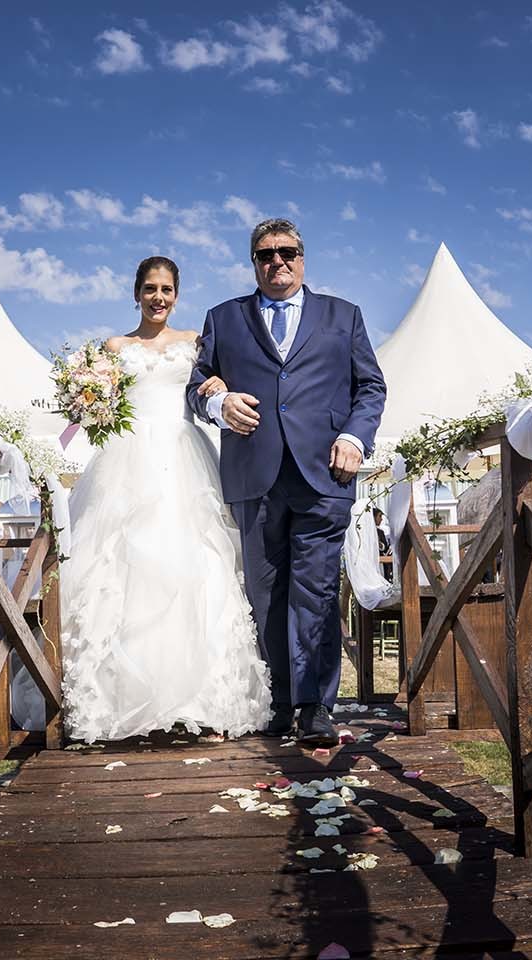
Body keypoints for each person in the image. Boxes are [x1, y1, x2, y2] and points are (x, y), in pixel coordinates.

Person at [187, 218, 386, 746]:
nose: (277, 262)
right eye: (265, 255)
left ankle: (315, 705)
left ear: (304, 256)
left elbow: (371, 388)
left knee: (317, 591)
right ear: (253, 262)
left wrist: (355, 438)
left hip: (326, 472)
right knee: (265, 593)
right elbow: (195, 387)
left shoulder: (344, 316)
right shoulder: (223, 319)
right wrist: (217, 401)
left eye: (287, 252)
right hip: (254, 474)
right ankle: (276, 701)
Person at [60, 255, 272, 744]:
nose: (159, 298)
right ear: (136, 293)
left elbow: (208, 386)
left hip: (183, 458)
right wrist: (86, 399)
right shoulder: (113, 347)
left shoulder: (195, 344)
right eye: (151, 289)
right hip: (125, 461)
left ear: (177, 295)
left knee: (196, 566)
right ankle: (114, 700)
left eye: (168, 290)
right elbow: (92, 410)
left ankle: (203, 698)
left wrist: (216, 384)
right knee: (119, 570)